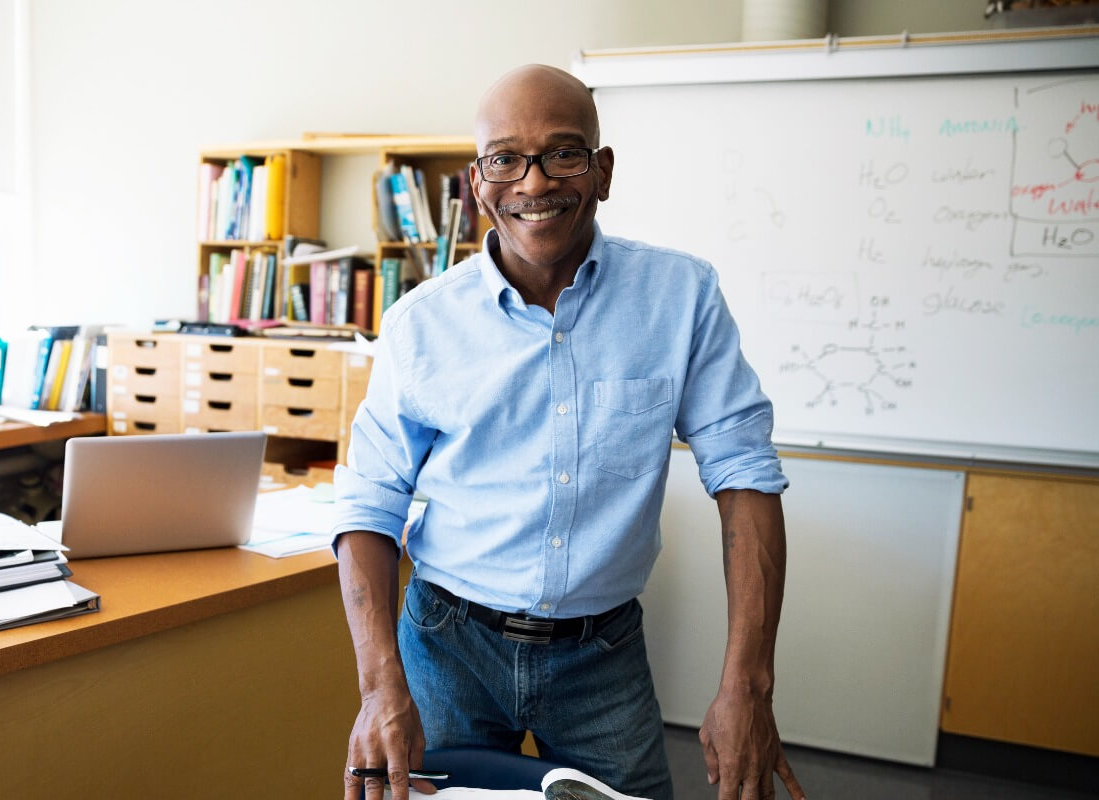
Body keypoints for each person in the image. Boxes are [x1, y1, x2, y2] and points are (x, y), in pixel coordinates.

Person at [332, 64, 805, 800]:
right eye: (505, 159)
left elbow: (744, 471)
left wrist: (748, 684)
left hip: (601, 655)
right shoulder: (421, 324)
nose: (534, 182)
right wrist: (377, 684)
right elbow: (369, 502)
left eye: (563, 153)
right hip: (447, 643)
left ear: (602, 170)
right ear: (476, 181)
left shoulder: (681, 298)